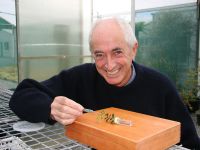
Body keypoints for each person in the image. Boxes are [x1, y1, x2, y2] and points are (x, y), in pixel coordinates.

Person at [9, 17, 200, 149]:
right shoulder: (81, 77)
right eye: (99, 55)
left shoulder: (160, 86)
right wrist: (50, 108)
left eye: (117, 52)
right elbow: (22, 95)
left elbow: (190, 142)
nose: (108, 65)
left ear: (133, 50)